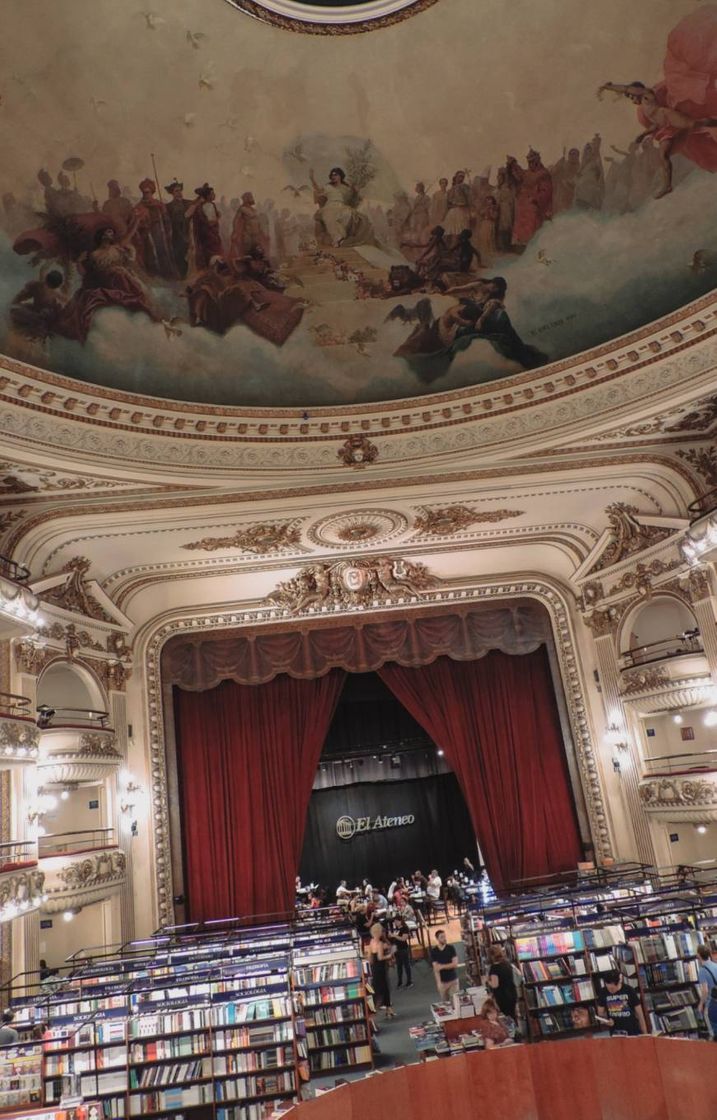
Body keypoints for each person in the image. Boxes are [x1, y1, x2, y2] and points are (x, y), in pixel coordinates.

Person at [310, 166, 374, 248]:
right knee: (329, 217)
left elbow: (352, 199)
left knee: (347, 215)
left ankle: (340, 238)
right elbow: (318, 190)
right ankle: (338, 238)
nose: (333, 177)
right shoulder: (328, 187)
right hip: (330, 206)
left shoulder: (345, 188)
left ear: (340, 176)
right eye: (332, 175)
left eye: (335, 175)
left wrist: (356, 192)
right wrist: (312, 179)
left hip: (342, 207)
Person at [595, 969, 648, 1036]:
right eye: (608, 988)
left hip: (632, 1031)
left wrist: (645, 1034)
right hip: (615, 1033)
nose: (610, 991)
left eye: (612, 988)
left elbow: (640, 1015)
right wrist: (607, 1021)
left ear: (619, 982)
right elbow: (600, 1014)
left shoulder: (629, 990)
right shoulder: (603, 992)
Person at [164, 179, 191, 278]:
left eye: (180, 190)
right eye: (176, 191)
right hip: (176, 235)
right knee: (179, 256)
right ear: (172, 193)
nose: (179, 193)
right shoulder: (168, 206)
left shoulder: (187, 203)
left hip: (188, 233)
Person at [369, 922, 396, 1018]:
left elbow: (371, 956)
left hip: (375, 968)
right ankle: (385, 1008)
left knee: (378, 989)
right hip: (381, 968)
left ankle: (388, 1009)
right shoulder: (380, 943)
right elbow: (380, 957)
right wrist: (389, 955)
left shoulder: (372, 941)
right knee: (384, 989)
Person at [488, 944, 517, 1020]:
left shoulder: (494, 968)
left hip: (502, 997)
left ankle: (511, 1031)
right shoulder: (507, 964)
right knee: (512, 1016)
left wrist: (488, 981)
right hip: (512, 993)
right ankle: (516, 1030)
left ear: (491, 955)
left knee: (506, 1018)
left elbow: (495, 985)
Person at [431, 928, 459, 1001]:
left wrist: (442, 966)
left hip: (453, 980)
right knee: (445, 1004)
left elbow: (455, 964)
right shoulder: (434, 951)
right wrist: (438, 983)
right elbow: (436, 969)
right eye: (442, 937)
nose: (444, 938)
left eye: (444, 936)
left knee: (455, 1002)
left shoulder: (451, 948)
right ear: (437, 939)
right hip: (443, 983)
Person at [697, 943, 717, 1040]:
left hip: (711, 1005)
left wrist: (701, 1004)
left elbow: (705, 990)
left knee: (713, 1033)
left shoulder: (702, 971)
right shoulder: (715, 965)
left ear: (699, 955)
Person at [389, 914, 413, 989]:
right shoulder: (396, 929)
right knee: (399, 966)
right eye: (394, 921)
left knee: (406, 966)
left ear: (400, 921)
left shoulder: (405, 928)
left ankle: (409, 981)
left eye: (396, 921)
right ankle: (400, 981)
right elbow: (394, 940)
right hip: (397, 949)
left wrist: (394, 936)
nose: (395, 923)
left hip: (403, 949)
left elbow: (403, 939)